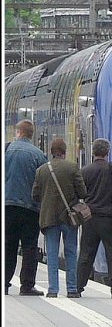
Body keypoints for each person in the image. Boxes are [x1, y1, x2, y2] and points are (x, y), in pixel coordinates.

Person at [31, 137, 87, 298]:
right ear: (64, 151)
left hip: (49, 218)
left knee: (53, 254)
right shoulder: (72, 167)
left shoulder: (41, 170)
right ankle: (72, 289)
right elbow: (83, 193)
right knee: (70, 253)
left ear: (51, 152)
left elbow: (35, 195)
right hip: (70, 218)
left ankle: (53, 290)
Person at [76, 138, 112, 299]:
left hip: (90, 219)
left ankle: (77, 288)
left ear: (93, 152)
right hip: (109, 219)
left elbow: (79, 192)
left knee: (86, 253)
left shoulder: (85, 171)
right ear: (107, 152)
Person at [5, 119, 48, 295]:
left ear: (18, 132)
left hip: (7, 205)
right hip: (31, 208)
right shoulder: (38, 155)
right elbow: (44, 182)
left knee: (8, 245)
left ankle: (4, 283)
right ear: (31, 135)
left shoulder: (6, 150)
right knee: (30, 246)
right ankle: (27, 285)